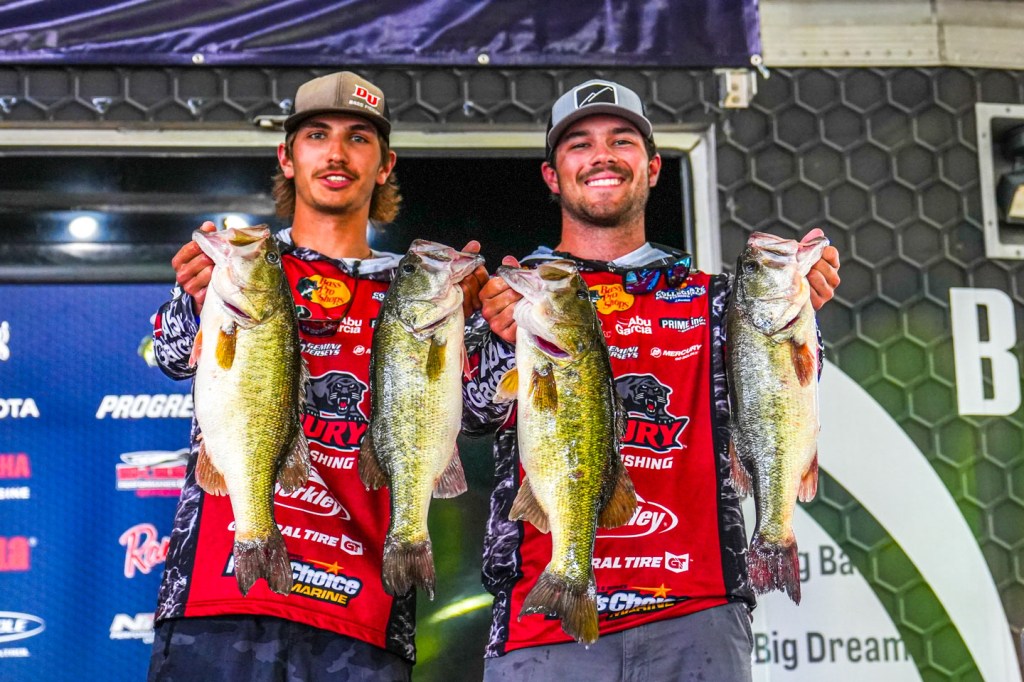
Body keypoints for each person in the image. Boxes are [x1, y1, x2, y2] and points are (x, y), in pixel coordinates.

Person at [463, 79, 841, 680]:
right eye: (580, 144)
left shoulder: (717, 298)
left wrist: (804, 308)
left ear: (653, 167)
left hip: (698, 611)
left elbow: (786, 392)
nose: (602, 156)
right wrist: (501, 341)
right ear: (552, 176)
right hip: (543, 617)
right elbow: (471, 415)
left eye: (622, 140)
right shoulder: (516, 296)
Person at [147, 71, 487, 681]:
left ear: (385, 165)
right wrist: (193, 297)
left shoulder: (423, 286)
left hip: (364, 612)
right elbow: (173, 356)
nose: (336, 153)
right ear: (287, 157)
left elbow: (485, 409)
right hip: (218, 598)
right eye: (316, 135)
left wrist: (497, 327)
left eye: (358, 138)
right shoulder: (242, 264)